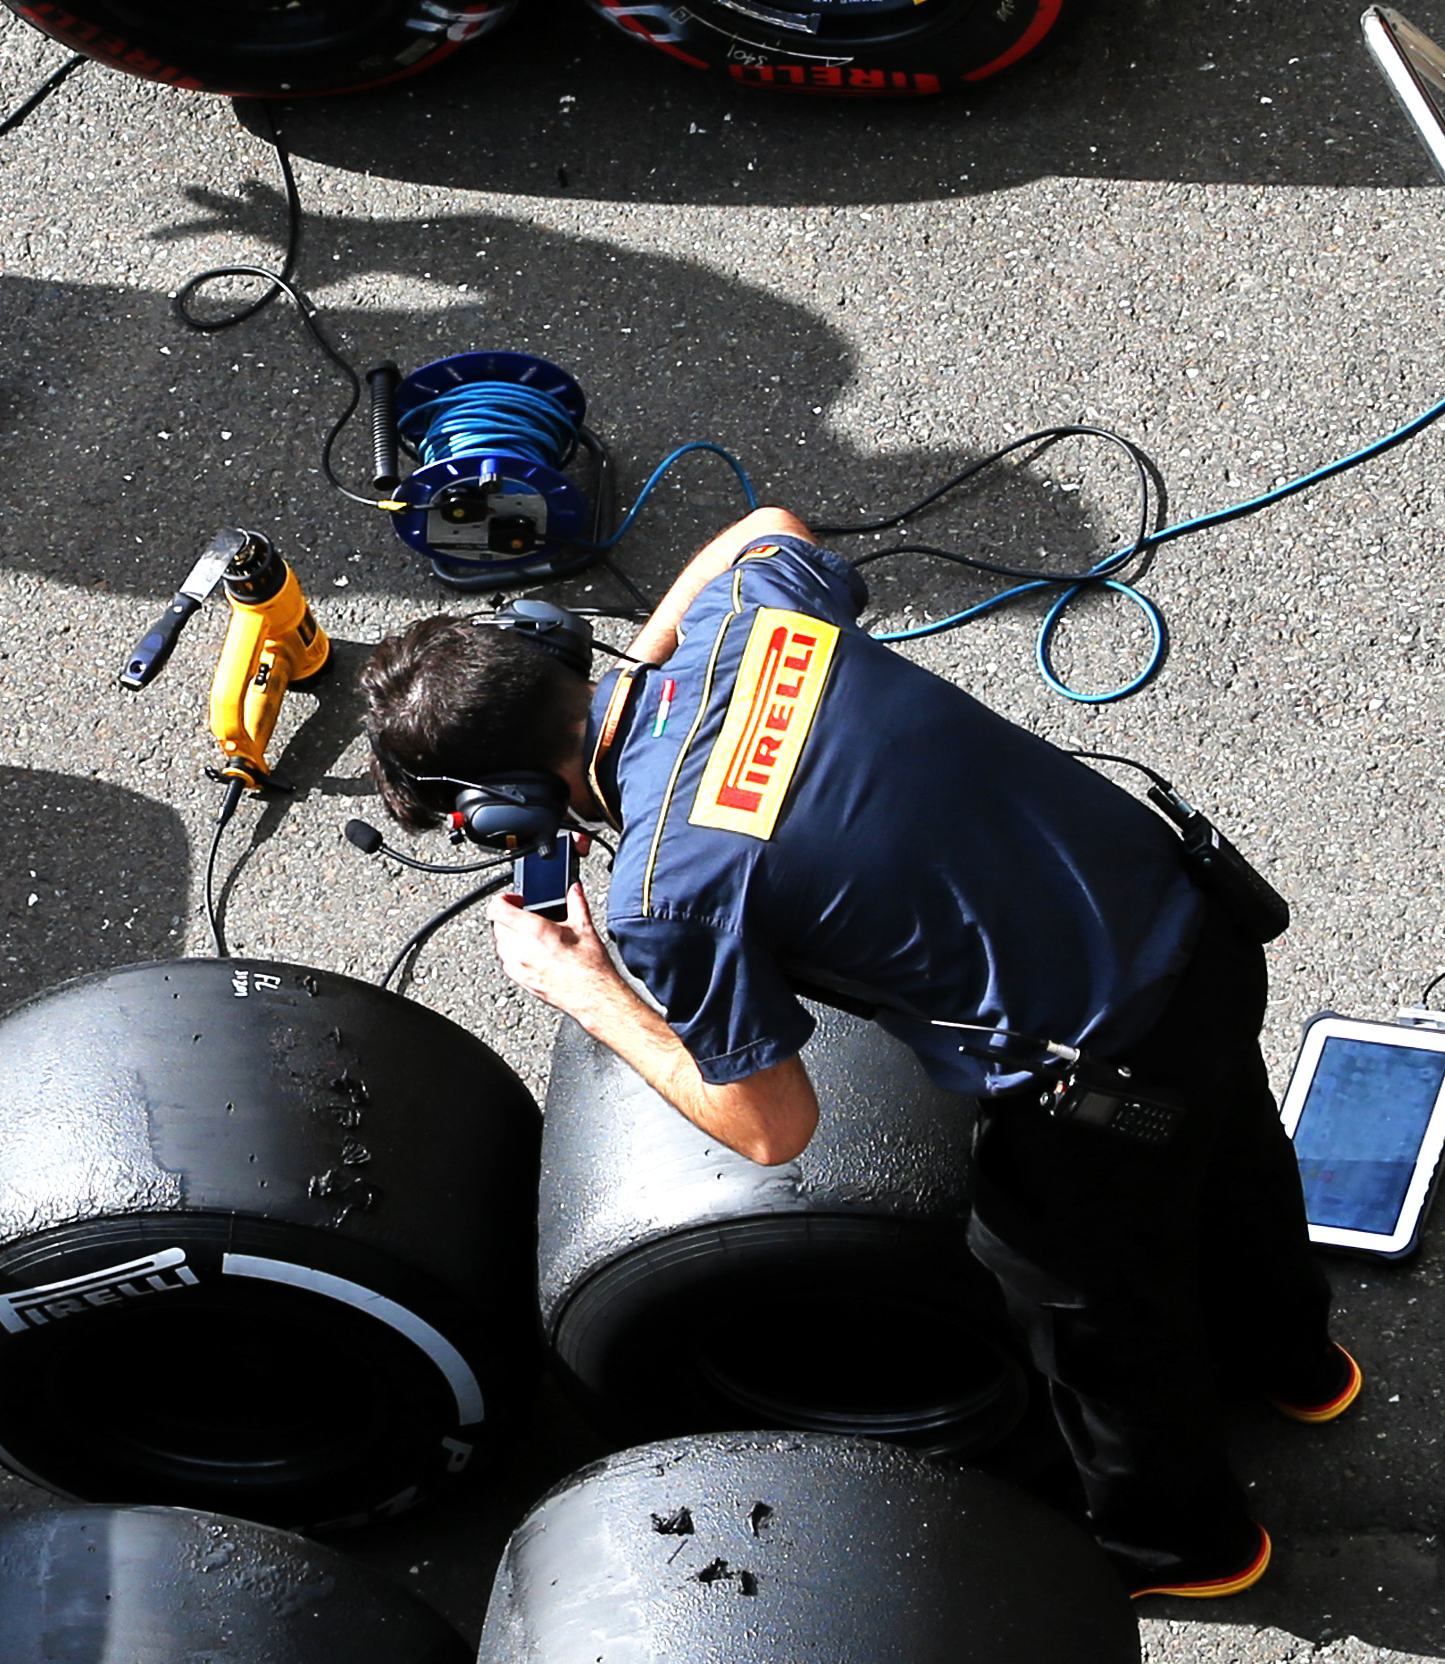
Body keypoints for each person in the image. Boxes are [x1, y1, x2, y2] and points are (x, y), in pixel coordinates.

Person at [363, 510, 1354, 1598]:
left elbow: (772, 1127)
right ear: (554, 645)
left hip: (1105, 1075)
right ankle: (1300, 1369)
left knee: (1088, 1311)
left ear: (507, 806)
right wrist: (653, 657)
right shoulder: (755, 621)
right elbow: (765, 526)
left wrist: (582, 987)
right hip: (1196, 924)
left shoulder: (667, 895)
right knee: (1234, 1158)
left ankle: (1192, 1551)